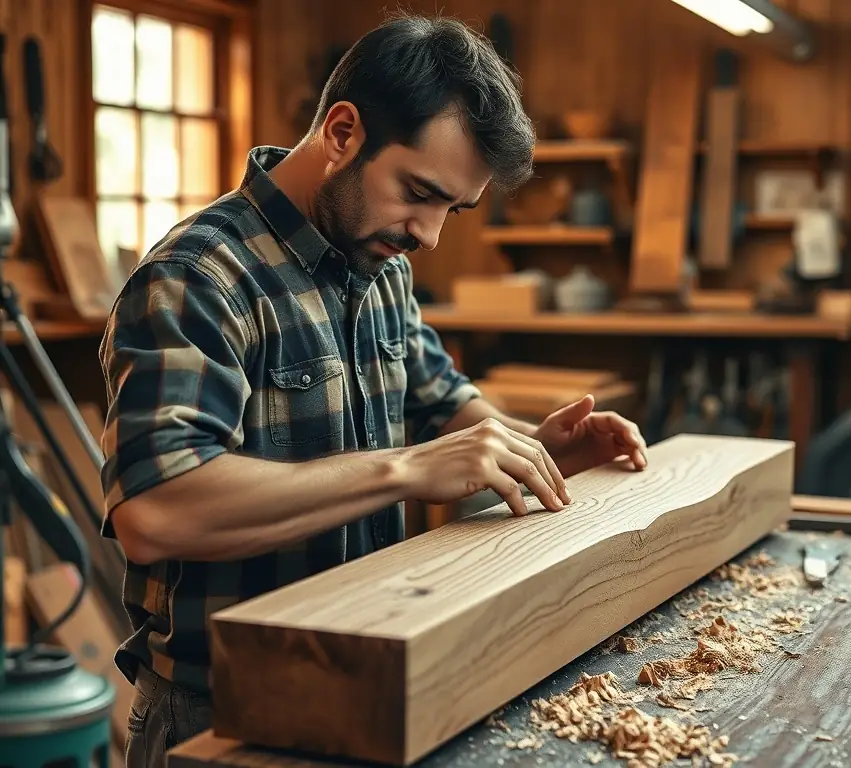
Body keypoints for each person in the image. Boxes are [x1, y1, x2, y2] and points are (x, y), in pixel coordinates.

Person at [98, 12, 648, 767]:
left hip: (366, 679)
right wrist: (406, 470)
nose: (430, 234)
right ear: (342, 133)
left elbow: (441, 400)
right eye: (418, 192)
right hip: (221, 708)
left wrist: (533, 449)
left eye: (451, 209)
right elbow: (156, 511)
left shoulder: (381, 266)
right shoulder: (199, 277)